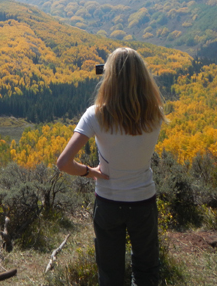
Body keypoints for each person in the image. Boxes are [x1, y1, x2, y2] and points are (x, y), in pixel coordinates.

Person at [57, 47, 166, 286]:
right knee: (146, 271)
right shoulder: (156, 113)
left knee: (110, 273)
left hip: (108, 202)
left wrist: (90, 171)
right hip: (143, 200)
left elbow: (63, 163)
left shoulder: (95, 115)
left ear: (110, 78)